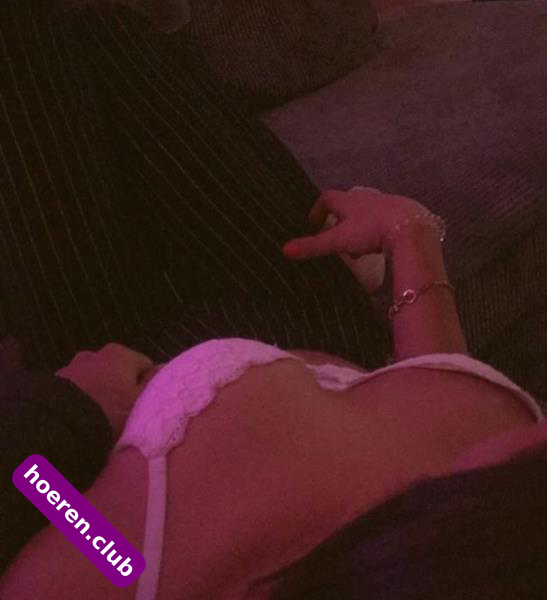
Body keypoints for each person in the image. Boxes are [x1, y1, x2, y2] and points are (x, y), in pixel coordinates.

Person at [1, 187, 545, 600]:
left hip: (120, 359)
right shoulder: (487, 493)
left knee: (42, 81)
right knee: (139, 82)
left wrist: (74, 409)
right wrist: (410, 234)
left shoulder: (128, 567)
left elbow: (35, 487)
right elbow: (440, 406)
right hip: (318, 335)